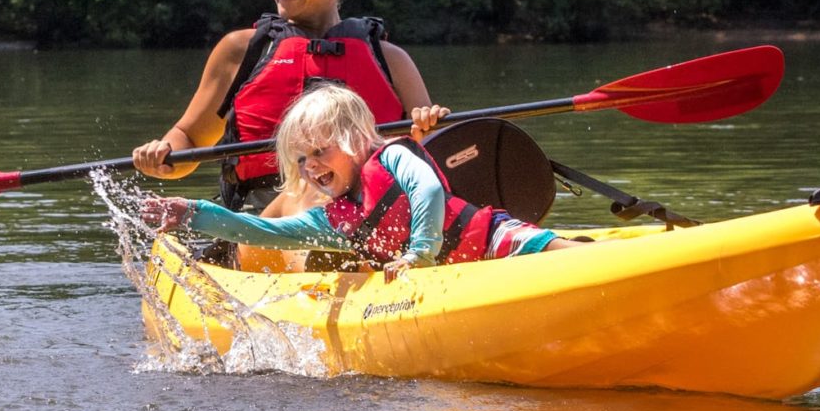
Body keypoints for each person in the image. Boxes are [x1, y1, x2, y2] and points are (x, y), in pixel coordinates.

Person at [132, 0, 446, 221]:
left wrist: (426, 132)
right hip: (265, 220)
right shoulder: (241, 51)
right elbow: (190, 136)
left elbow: (436, 158)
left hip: (374, 216)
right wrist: (165, 155)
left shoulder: (390, 60)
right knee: (308, 197)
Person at [142, 84, 583, 283]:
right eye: (301, 159)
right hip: (445, 281)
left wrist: (418, 253)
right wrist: (194, 213)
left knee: (577, 259)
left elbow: (428, 190)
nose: (311, 167)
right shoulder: (335, 220)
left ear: (356, 140)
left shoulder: (392, 155)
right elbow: (263, 232)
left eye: (320, 151)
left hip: (492, 243)